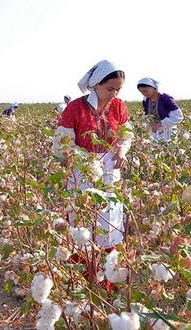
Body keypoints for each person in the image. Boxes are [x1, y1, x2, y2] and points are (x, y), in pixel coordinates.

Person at [52, 60, 133, 250]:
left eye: (118, 90)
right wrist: (86, 160)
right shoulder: (75, 108)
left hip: (110, 166)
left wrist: (121, 149)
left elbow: (125, 133)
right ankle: (83, 269)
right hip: (82, 169)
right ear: (96, 85)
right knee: (83, 214)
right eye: (110, 89)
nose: (114, 94)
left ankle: (108, 268)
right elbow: (61, 145)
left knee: (110, 214)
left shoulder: (119, 106)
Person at [137, 77, 184, 142]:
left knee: (167, 149)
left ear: (153, 87)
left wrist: (160, 124)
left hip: (167, 131)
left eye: (146, 91)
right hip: (154, 132)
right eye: (141, 92)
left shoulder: (165, 98)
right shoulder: (146, 101)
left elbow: (178, 116)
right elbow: (147, 116)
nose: (144, 94)